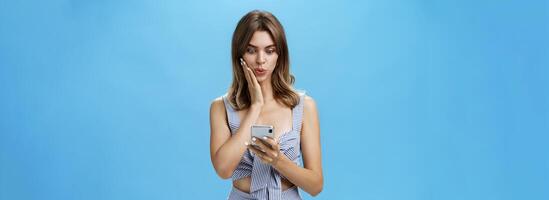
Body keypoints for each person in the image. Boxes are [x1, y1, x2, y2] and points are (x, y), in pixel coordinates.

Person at [209, 10, 323, 199]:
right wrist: (255, 107)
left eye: (269, 51)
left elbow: (316, 186)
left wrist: (278, 160)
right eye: (251, 50)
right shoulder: (221, 108)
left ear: (280, 55)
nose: (261, 60)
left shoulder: (303, 106)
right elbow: (223, 170)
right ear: (239, 54)